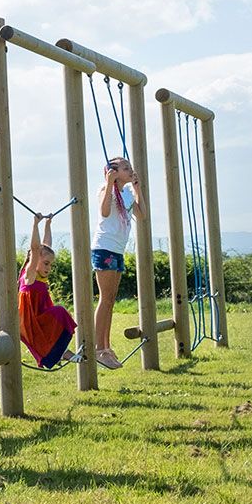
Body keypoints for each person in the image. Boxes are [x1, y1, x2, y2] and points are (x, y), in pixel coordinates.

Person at [89, 157, 141, 370]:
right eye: (126, 168)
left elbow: (142, 215)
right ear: (112, 172)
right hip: (105, 247)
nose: (131, 170)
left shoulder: (128, 193)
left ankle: (106, 347)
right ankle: (98, 348)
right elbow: (104, 212)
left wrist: (138, 189)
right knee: (105, 298)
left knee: (111, 300)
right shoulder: (105, 189)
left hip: (117, 249)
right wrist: (110, 183)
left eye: (130, 167)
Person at [18, 214, 79, 368]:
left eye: (50, 265)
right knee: (60, 312)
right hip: (32, 319)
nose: (48, 268)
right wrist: (35, 224)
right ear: (35, 259)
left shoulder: (40, 275)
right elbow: (36, 247)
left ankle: (59, 353)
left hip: (42, 315)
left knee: (60, 316)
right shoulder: (30, 275)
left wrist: (48, 224)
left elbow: (46, 245)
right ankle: (61, 354)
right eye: (46, 263)